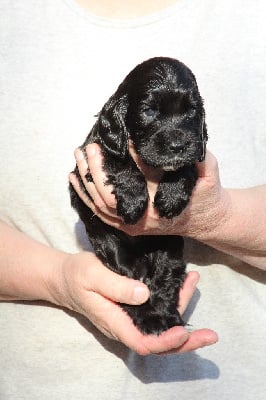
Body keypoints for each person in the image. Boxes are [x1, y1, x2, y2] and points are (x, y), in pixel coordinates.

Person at [0, 0, 265, 399]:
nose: (176, 135)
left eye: (188, 115)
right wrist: (60, 280)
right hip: (54, 384)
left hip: (231, 383)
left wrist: (211, 217)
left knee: (167, 255)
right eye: (154, 114)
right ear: (120, 118)